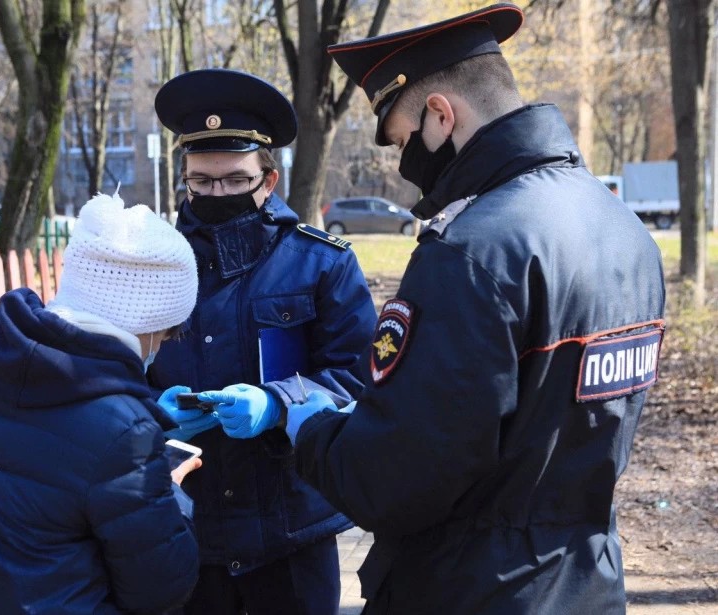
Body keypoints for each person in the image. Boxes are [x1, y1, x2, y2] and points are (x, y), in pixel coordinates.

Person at [265, 3, 667, 614]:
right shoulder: (623, 228)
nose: (406, 166)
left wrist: (313, 428)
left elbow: (398, 477)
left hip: (472, 589)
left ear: (441, 114)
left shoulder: (474, 251)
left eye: (403, 140)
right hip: (585, 584)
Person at [0, 192, 202, 614]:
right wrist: (168, 495)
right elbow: (162, 587)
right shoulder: (125, 434)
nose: (165, 344)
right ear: (149, 322)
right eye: (169, 332)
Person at [150, 68, 377, 614]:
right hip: (185, 524)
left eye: (234, 180)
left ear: (268, 180)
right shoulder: (157, 263)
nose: (215, 193)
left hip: (292, 525)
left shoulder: (323, 262)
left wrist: (278, 404)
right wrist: (149, 412)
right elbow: (113, 370)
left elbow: (359, 378)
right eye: (201, 181)